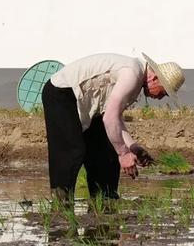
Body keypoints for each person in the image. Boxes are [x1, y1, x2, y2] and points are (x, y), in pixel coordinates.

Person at [41, 52, 185, 204]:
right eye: (164, 92)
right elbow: (109, 117)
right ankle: (61, 203)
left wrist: (132, 147)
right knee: (72, 150)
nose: (161, 97)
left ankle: (104, 200)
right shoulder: (132, 74)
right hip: (61, 94)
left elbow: (114, 118)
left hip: (90, 104)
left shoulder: (136, 75)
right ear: (154, 78)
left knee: (105, 152)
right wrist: (123, 154)